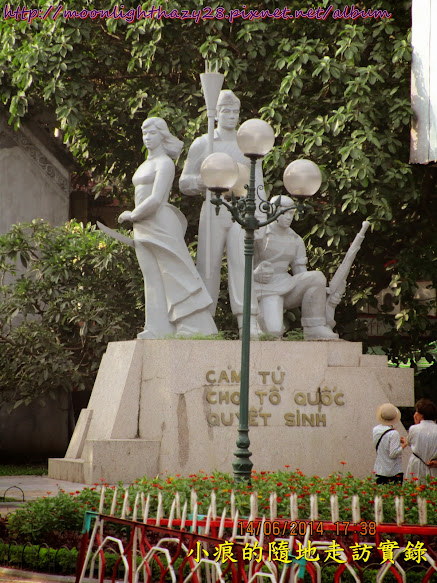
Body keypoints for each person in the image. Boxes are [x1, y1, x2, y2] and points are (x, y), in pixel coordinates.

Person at [118, 117, 217, 339]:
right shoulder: (145, 164)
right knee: (151, 277)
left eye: (151, 133)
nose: (147, 137)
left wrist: (132, 215)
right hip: (142, 225)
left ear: (162, 136)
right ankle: (156, 327)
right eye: (144, 134)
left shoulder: (165, 163)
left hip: (159, 222)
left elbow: (155, 199)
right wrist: (136, 219)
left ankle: (193, 325)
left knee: (174, 273)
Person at [179, 90, 262, 336]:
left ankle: (247, 322)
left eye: (235, 111)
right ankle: (204, 320)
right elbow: (184, 182)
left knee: (241, 265)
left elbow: (258, 185)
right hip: (213, 208)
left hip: (241, 209)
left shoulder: (248, 145)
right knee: (208, 265)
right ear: (215, 114)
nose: (231, 116)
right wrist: (204, 181)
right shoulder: (204, 143)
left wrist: (260, 220)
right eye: (226, 111)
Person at [253, 195, 338, 339]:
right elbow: (240, 267)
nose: (288, 217)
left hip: (287, 285)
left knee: (316, 277)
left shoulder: (296, 240)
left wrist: (320, 290)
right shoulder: (259, 235)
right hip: (264, 288)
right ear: (273, 211)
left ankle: (314, 327)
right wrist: (254, 273)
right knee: (273, 332)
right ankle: (258, 322)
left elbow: (301, 274)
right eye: (284, 212)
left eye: (291, 213)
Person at [401, 398, 437, 481]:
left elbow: (410, 442)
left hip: (416, 464)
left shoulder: (414, 428)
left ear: (421, 415)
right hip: (433, 465)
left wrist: (417, 424)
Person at [372, 403, 403, 485]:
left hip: (380, 470)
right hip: (394, 471)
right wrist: (404, 445)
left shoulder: (375, 430)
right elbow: (393, 454)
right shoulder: (394, 433)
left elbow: (384, 442)